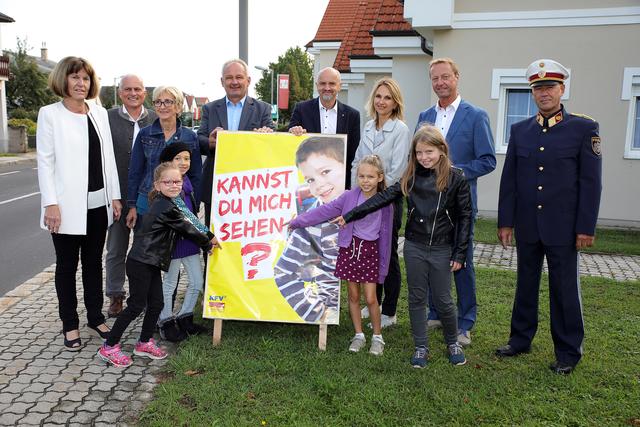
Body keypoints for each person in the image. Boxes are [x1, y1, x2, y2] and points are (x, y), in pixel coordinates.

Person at [495, 59, 602, 375]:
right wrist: (505, 221)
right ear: (532, 92)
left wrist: (585, 227)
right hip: (528, 223)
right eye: (538, 88)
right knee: (525, 284)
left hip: (565, 227)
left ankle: (568, 351)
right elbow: (510, 179)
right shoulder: (520, 131)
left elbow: (591, 183)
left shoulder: (584, 129)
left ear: (562, 89)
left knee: (564, 289)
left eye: (550, 87)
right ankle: (520, 339)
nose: (544, 93)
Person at [337, 125, 472, 368]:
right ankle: (421, 346)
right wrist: (351, 214)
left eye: (429, 151)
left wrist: (460, 252)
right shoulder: (411, 177)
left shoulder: (457, 178)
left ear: (441, 149)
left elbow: (465, 217)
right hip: (415, 246)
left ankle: (452, 341)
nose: (424, 157)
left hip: (442, 248)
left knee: (443, 299)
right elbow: (382, 197)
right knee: (417, 297)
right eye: (419, 153)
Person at [98, 162, 220, 367]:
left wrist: (206, 238)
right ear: (157, 185)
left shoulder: (170, 202)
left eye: (177, 181)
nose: (174, 185)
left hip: (151, 262)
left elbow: (187, 222)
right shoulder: (166, 206)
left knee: (156, 303)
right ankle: (109, 347)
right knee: (136, 305)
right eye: (168, 182)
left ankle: (144, 342)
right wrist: (209, 240)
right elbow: (187, 227)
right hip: (140, 263)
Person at [36, 56, 122, 351]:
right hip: (65, 207)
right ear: (64, 80)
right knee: (66, 267)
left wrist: (115, 196)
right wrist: (50, 203)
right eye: (75, 78)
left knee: (93, 264)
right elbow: (45, 163)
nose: (80, 83)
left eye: (85, 78)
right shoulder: (50, 114)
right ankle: (69, 324)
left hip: (98, 204)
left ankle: (95, 317)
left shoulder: (98, 112)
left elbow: (107, 157)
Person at [416, 57, 496, 346]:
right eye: (435, 78)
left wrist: (454, 173)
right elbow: (419, 157)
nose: (440, 82)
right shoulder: (425, 116)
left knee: (461, 263)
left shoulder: (475, 115)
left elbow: (488, 160)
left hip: (460, 207)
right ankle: (435, 312)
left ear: (456, 77)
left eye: (445, 77)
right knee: (432, 262)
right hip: (429, 207)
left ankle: (465, 322)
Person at [289, 155, 393, 355]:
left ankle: (378, 337)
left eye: (370, 176)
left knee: (371, 298)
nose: (365, 180)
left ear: (380, 178)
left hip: (370, 252)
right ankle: (359, 335)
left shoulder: (385, 202)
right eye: (361, 176)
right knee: (353, 295)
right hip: (349, 250)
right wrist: (298, 221)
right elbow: (325, 211)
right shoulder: (349, 197)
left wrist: (383, 265)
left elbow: (387, 237)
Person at [351, 77, 410, 328]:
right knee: (370, 252)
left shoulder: (401, 130)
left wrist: (374, 195)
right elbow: (357, 162)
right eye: (378, 96)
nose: (382, 101)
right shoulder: (367, 128)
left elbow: (398, 172)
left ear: (395, 102)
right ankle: (372, 301)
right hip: (365, 199)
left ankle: (389, 310)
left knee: (388, 256)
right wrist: (357, 193)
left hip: (388, 201)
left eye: (387, 97)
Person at [274, 136, 347, 323]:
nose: (319, 185)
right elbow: (284, 273)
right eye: (310, 179)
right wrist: (320, 314)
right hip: (329, 302)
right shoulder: (312, 225)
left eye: (325, 172)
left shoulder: (360, 205)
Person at [198, 59, 275, 228]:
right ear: (222, 81)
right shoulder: (210, 109)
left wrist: (267, 136)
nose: (234, 82)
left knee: (246, 234)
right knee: (214, 237)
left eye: (239, 77)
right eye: (229, 78)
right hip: (217, 186)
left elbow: (273, 141)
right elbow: (200, 139)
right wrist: (210, 142)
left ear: (248, 80)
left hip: (251, 187)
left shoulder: (263, 109)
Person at [105, 74, 157, 318]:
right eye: (128, 89)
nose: (133, 93)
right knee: (116, 248)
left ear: (144, 93)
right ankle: (115, 295)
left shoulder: (156, 118)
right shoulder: (108, 118)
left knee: (145, 249)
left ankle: (143, 295)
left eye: (137, 89)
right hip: (118, 196)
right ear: (120, 92)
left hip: (148, 198)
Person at [126, 86, 202, 229]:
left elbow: (196, 174)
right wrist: (132, 206)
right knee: (146, 248)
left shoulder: (190, 137)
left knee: (177, 249)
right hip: (146, 204)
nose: (162, 106)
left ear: (178, 106)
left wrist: (195, 204)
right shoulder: (144, 134)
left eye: (168, 102)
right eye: (158, 102)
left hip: (180, 205)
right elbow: (135, 172)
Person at [156, 143, 207, 342]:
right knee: (169, 284)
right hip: (174, 241)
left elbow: (192, 213)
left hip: (190, 239)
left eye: (187, 158)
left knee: (196, 281)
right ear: (168, 161)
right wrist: (207, 238)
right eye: (178, 158)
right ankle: (165, 321)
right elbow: (185, 215)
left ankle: (185, 318)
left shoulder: (186, 181)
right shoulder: (171, 184)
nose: (184, 162)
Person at [289, 67, 361, 188]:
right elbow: (289, 141)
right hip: (310, 184)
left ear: (339, 86)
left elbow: (353, 156)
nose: (327, 88)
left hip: (340, 185)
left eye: (332, 84)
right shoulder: (301, 109)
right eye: (323, 83)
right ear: (317, 85)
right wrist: (293, 131)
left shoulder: (352, 115)